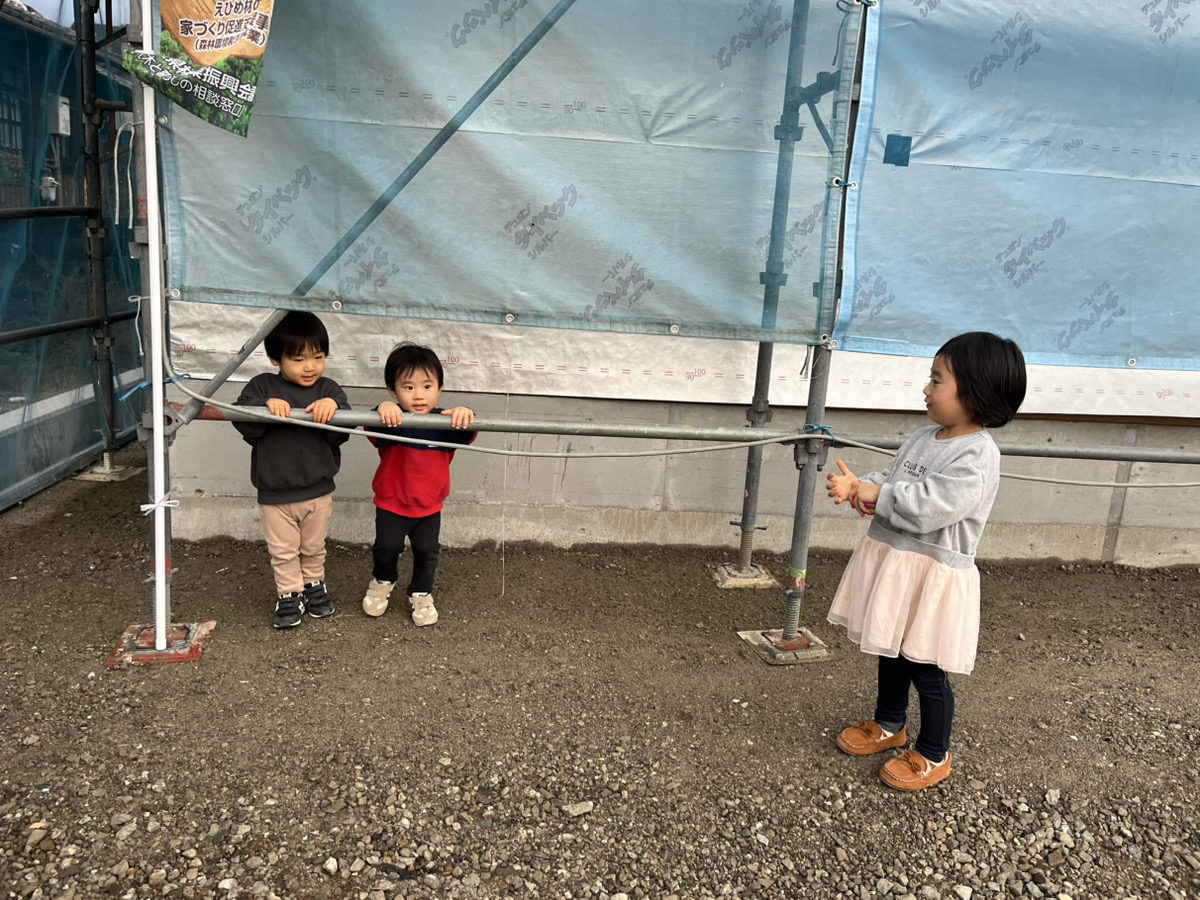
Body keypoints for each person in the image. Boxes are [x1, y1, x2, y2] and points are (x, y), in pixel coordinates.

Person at [825, 331, 1026, 790]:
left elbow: (934, 505)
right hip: (899, 564)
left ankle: (935, 752)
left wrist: (878, 493)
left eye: (937, 380)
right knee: (890, 647)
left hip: (932, 573)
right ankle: (889, 723)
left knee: (926, 668)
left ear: (976, 391)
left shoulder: (978, 454)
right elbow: (897, 478)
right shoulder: (922, 437)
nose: (926, 388)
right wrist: (861, 488)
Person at [232, 310, 350, 629]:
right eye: (298, 359)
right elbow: (242, 420)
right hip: (275, 494)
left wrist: (333, 409)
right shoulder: (261, 387)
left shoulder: (329, 390)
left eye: (318, 357)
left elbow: (343, 432)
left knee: (313, 547)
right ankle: (289, 593)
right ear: (276, 359)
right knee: (283, 551)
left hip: (318, 492)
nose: (310, 367)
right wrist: (264, 407)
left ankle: (313, 585)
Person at [361, 342, 476, 626]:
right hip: (392, 504)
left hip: (429, 507)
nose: (419, 395)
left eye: (427, 386)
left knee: (427, 552)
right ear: (393, 390)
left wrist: (465, 413)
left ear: (440, 389)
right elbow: (371, 426)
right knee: (386, 548)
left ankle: (421, 593)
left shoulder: (444, 424)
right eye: (408, 387)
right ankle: (383, 580)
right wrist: (382, 408)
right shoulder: (392, 419)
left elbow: (468, 430)